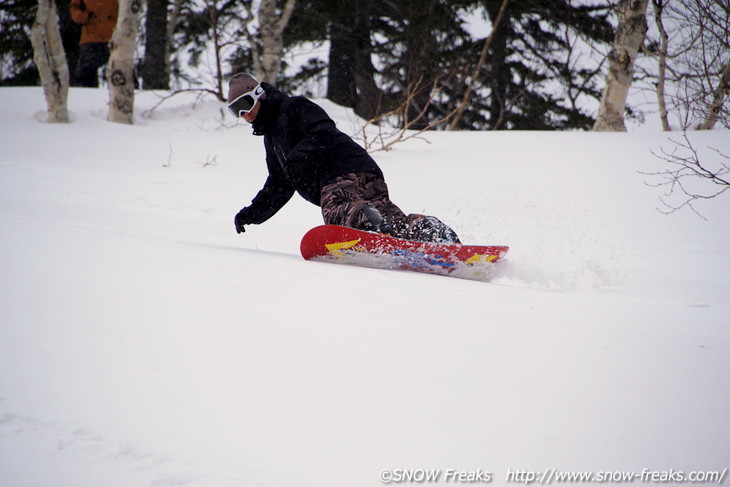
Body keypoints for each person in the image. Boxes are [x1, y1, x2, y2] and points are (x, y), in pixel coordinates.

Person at [228, 73, 460, 244]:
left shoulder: (292, 107)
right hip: (364, 170)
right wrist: (252, 214)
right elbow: (279, 185)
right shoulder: (272, 138)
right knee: (392, 222)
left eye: (245, 103)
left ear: (260, 94)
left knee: (338, 211)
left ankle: (368, 220)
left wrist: (298, 157)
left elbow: (323, 129)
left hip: (337, 172)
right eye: (235, 110)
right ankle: (428, 230)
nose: (244, 114)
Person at [69, 0, 118, 87]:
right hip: (92, 37)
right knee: (85, 77)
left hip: (113, 37)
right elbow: (74, 8)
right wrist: (84, 16)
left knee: (121, 73)